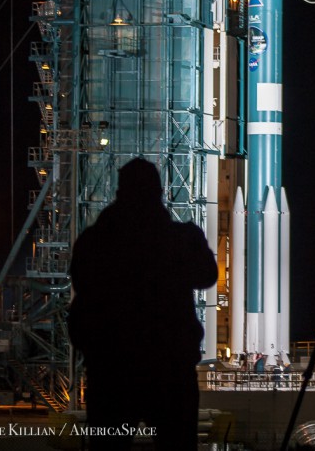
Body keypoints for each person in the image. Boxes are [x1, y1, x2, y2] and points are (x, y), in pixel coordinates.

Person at [68, 158, 218, 450]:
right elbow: (207, 275)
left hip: (111, 368)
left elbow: (82, 290)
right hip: (169, 368)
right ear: (159, 191)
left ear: (119, 191)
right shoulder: (179, 240)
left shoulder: (94, 241)